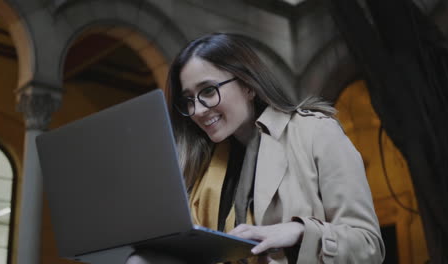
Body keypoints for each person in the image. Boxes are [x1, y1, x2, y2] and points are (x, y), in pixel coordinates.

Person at [129, 33, 385, 264]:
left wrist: (299, 232)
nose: (197, 110)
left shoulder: (316, 132)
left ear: (248, 85)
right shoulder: (201, 163)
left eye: (208, 90)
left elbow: (368, 245)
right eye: (189, 100)